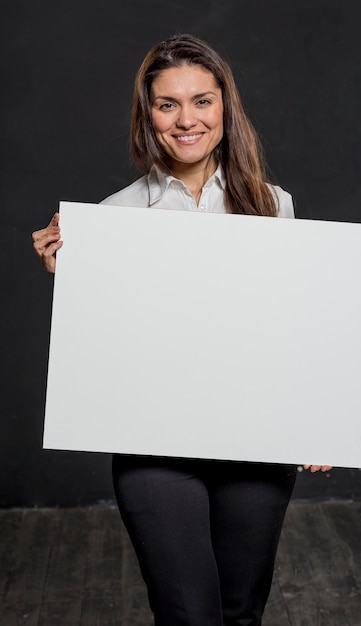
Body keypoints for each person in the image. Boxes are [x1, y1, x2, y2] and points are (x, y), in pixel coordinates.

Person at [32, 34, 331, 626]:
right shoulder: (111, 218)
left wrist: (316, 420)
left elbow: (290, 328)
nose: (186, 119)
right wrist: (67, 277)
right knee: (188, 616)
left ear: (226, 107)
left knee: (240, 612)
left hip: (254, 444)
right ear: (148, 114)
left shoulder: (272, 205)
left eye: (202, 100)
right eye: (167, 104)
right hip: (155, 450)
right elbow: (105, 348)